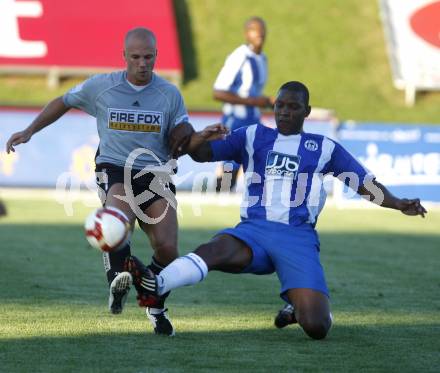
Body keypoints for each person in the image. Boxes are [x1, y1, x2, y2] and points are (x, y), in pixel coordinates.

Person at [120, 81, 427, 339]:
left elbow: (362, 183)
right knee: (213, 250)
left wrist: (398, 203)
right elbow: (202, 155)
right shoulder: (253, 136)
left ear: (306, 112)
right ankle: (155, 286)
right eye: (280, 105)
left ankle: (297, 307)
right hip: (253, 232)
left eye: (293, 107)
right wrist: (199, 139)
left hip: (297, 238)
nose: (284, 111)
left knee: (317, 327)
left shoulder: (325, 147)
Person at [5, 27, 195, 336]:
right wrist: (29, 130)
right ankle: (117, 279)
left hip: (155, 174)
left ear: (157, 56)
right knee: (115, 221)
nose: (143, 63)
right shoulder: (102, 87)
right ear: (124, 57)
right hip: (116, 167)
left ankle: (154, 304)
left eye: (149, 57)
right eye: (135, 57)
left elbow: (183, 130)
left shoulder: (169, 93)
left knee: (168, 249)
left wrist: (192, 137)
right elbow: (63, 100)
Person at [213, 16, 274, 191]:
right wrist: (255, 101)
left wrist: (268, 101)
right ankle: (217, 203)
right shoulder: (239, 56)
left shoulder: (263, 58)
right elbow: (218, 92)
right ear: (247, 33)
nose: (260, 33)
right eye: (255, 29)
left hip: (254, 121)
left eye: (262, 29)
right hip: (235, 121)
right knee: (229, 172)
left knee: (264, 163)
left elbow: (252, 90)